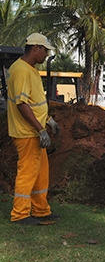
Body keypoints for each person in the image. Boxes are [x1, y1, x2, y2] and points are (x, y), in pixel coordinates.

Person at [7, 33, 61, 225]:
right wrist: (41, 130)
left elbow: (34, 103)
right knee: (28, 172)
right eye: (45, 50)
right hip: (27, 133)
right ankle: (20, 214)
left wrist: (49, 121)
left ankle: (40, 210)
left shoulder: (29, 69)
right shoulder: (21, 70)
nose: (46, 54)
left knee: (40, 173)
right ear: (35, 48)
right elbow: (22, 104)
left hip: (34, 132)